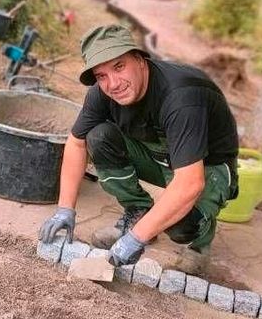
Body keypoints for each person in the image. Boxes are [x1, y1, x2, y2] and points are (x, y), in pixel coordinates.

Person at [38, 24, 239, 267]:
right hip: (161, 155)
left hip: (208, 165)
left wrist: (135, 239)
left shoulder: (182, 97)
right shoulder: (102, 93)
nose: (113, 84)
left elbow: (190, 183)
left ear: (140, 59)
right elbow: (76, 143)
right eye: (101, 76)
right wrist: (65, 210)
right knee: (98, 136)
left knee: (179, 221)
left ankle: (199, 242)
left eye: (119, 66)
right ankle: (138, 212)